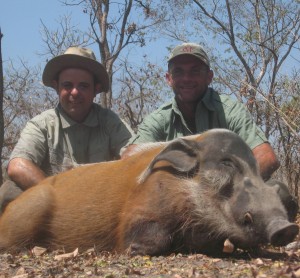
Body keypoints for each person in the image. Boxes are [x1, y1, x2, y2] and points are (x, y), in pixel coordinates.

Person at [124, 42, 298, 219]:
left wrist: (225, 189)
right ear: (169, 78)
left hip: (229, 197)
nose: (186, 78)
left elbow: (267, 157)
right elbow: (129, 159)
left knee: (279, 194)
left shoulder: (229, 109)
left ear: (209, 77)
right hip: (178, 203)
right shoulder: (159, 118)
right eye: (179, 72)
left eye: (195, 71)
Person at [0, 46, 132, 210]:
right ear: (56, 87)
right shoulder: (41, 124)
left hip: (101, 206)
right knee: (9, 191)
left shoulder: (111, 121)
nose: (75, 92)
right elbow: (17, 166)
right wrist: (60, 199)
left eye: (83, 86)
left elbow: (134, 155)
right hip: (54, 209)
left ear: (96, 90)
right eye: (67, 85)